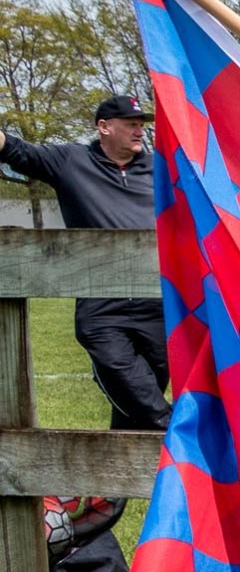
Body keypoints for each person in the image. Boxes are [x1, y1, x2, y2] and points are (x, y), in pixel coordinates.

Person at [0, 95, 168, 432]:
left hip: (157, 305)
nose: (139, 131)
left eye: (141, 125)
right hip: (102, 307)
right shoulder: (70, 161)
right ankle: (178, 429)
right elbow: (17, 151)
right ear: (104, 127)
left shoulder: (162, 169)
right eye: (130, 124)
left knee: (133, 401)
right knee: (132, 387)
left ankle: (127, 465)